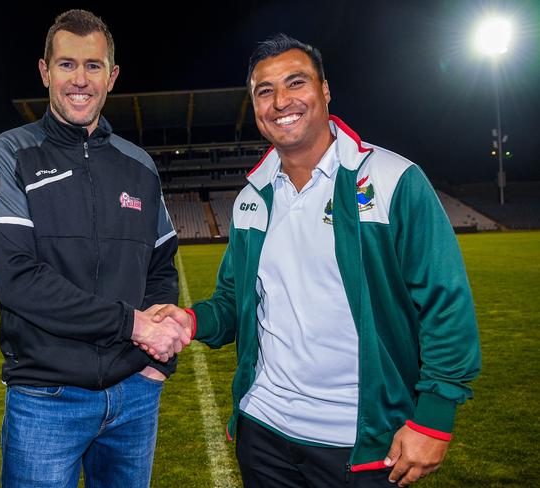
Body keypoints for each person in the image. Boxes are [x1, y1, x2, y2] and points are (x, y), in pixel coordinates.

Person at [152, 34, 481, 487]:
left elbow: (446, 305)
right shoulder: (252, 197)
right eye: (264, 91)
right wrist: (188, 321)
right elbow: (234, 302)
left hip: (361, 442)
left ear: (324, 91)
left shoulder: (392, 179)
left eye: (295, 83)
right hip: (264, 434)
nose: (280, 101)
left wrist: (435, 417)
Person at [0, 9, 189, 488]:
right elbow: (18, 279)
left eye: (93, 66)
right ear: (45, 71)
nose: (80, 79)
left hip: (134, 394)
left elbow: (160, 267)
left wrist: (157, 362)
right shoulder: (8, 153)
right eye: (67, 64)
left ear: (111, 76)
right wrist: (133, 324)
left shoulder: (139, 165)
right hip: (45, 398)